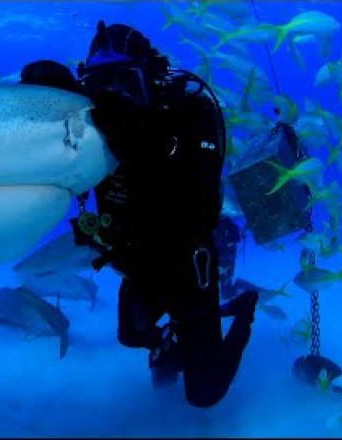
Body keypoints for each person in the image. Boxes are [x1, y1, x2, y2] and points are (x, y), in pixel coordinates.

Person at [18, 21, 259, 408]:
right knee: (131, 336)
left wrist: (128, 130)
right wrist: (50, 94)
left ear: (153, 78)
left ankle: (244, 310)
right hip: (136, 265)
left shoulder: (191, 112)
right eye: (101, 84)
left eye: (125, 82)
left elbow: (197, 206)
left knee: (203, 395)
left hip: (186, 265)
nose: (113, 97)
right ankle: (180, 336)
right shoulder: (92, 124)